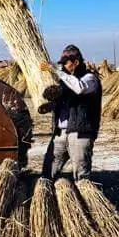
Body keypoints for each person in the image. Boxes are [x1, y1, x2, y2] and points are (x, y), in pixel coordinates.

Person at [39, 45, 102, 181]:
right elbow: (65, 102)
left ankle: (86, 200)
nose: (63, 67)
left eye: (65, 64)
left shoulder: (90, 79)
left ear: (76, 62)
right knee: (48, 172)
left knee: (81, 176)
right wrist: (50, 105)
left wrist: (58, 71)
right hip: (60, 134)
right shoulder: (65, 82)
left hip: (79, 133)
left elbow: (79, 88)